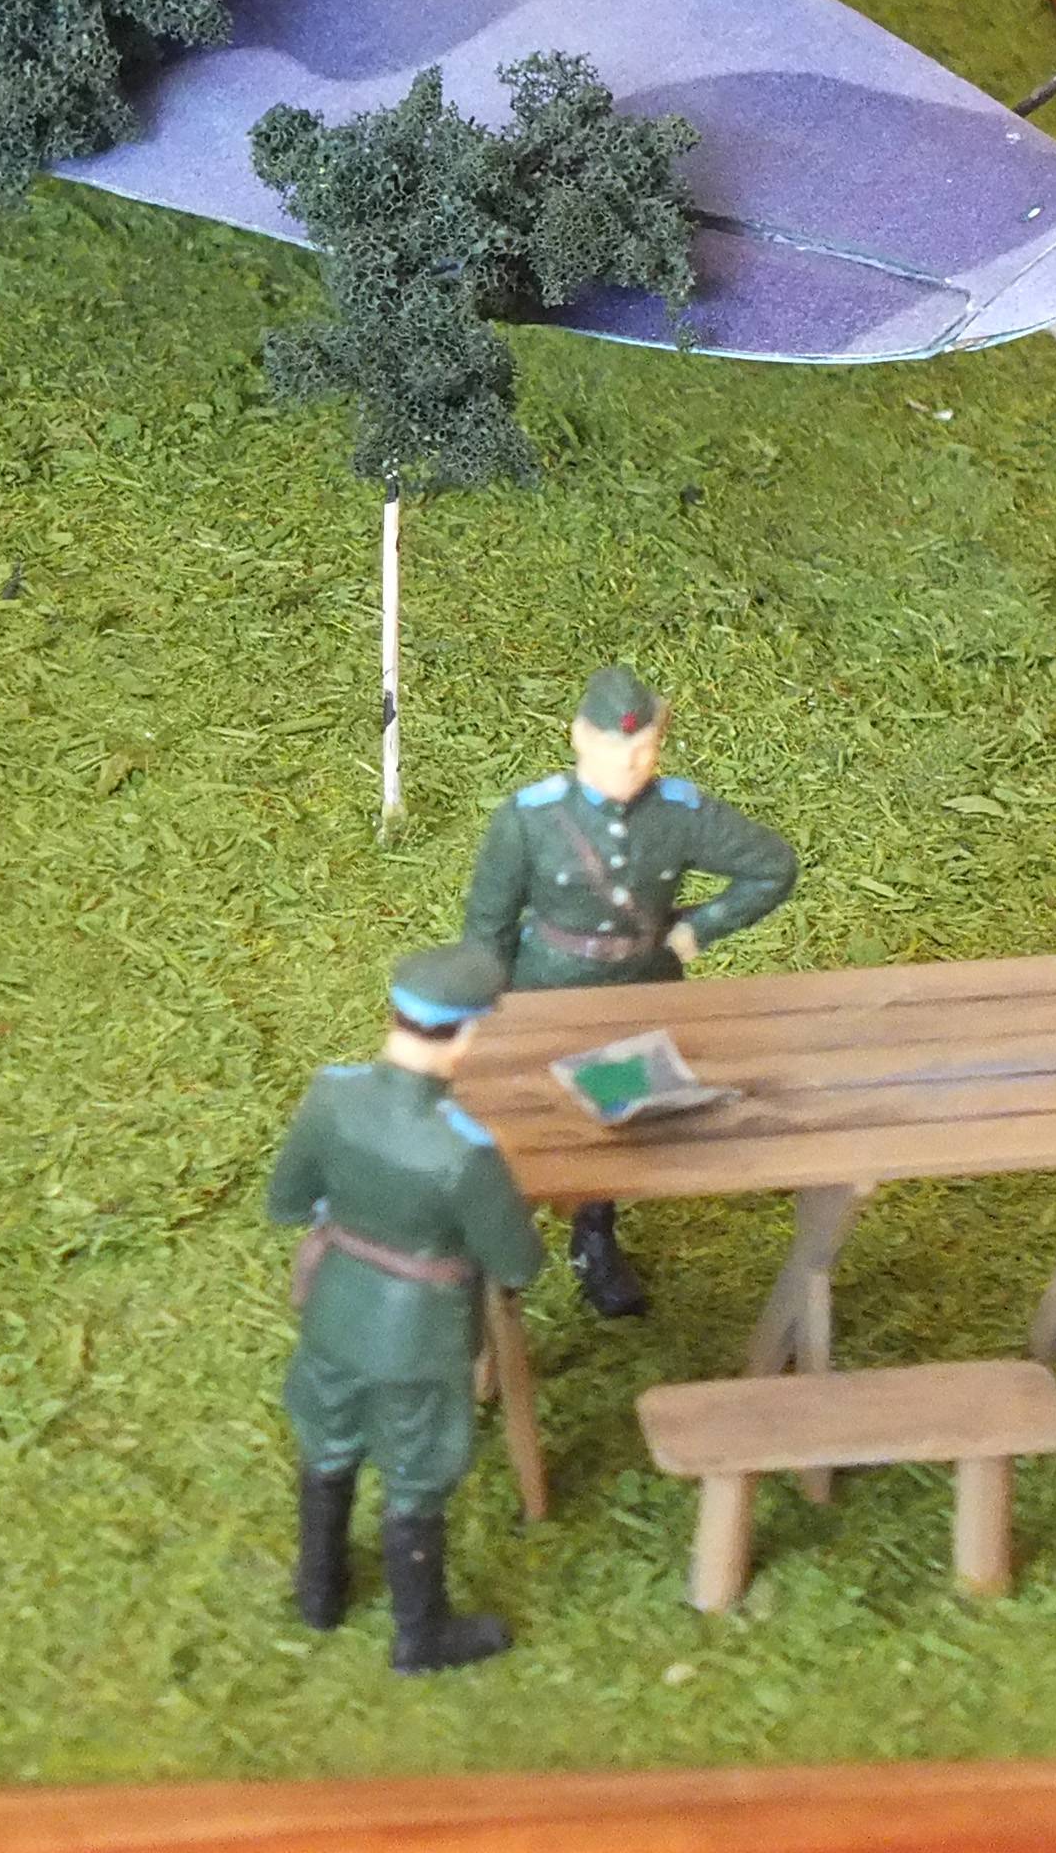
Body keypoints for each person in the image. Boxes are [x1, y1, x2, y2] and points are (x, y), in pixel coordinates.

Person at [461, 664, 796, 1317]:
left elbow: (772, 866)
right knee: (526, 1109)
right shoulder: (529, 820)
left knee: (616, 1113)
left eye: (644, 750)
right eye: (616, 750)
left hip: (640, 994)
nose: (630, 765)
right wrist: (484, 1009)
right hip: (545, 992)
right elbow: (487, 926)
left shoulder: (678, 814)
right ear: (580, 738)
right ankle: (505, 1229)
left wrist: (696, 931)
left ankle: (595, 1232)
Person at [265, 940, 544, 1672]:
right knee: (417, 1472)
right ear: (469, 1033)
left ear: (394, 1015)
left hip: (334, 1309)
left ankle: (319, 1590)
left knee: (327, 1441)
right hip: (420, 1335)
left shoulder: (331, 1094)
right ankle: (421, 1635)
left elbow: (287, 1201)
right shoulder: (466, 1150)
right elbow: (518, 1263)